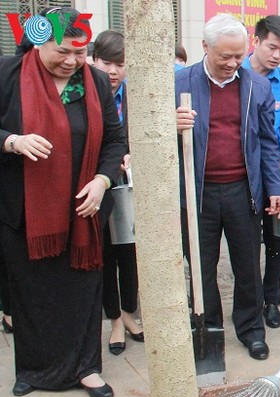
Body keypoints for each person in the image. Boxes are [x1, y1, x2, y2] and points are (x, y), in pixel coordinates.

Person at [0, 6, 126, 397]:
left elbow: (114, 141)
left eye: (79, 52)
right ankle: (34, 370)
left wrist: (102, 182)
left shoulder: (95, 83)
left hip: (82, 211)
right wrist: (12, 141)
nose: (72, 61)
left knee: (82, 291)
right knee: (32, 292)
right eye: (62, 52)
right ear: (39, 42)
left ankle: (86, 368)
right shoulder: (7, 74)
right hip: (25, 211)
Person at [175, 14, 280, 361]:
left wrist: (274, 188)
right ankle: (208, 329)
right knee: (201, 265)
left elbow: (268, 142)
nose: (233, 64)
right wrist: (169, 124)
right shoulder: (179, 84)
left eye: (239, 56)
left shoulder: (257, 86)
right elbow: (150, 140)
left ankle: (251, 329)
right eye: (225, 56)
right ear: (205, 48)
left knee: (248, 264)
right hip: (198, 192)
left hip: (243, 189)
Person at [242, 15, 280, 330]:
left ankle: (272, 301)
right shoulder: (235, 74)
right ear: (256, 41)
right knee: (248, 245)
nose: (277, 55)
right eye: (272, 47)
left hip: (276, 174)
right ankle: (249, 305)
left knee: (279, 243)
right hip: (241, 178)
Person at [92, 30, 145, 356]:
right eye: (106, 63)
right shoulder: (83, 93)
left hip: (131, 188)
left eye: (120, 64)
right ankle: (113, 319)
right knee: (105, 255)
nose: (113, 71)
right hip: (97, 189)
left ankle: (129, 312)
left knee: (131, 255)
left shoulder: (136, 96)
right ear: (94, 60)